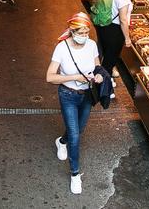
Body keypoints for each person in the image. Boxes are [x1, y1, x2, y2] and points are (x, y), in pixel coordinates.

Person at [45, 13, 105, 196]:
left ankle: (61, 142)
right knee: (75, 135)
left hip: (87, 94)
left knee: (78, 130)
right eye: (81, 32)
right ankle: (75, 174)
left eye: (87, 32)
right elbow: (49, 77)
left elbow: (97, 66)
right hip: (68, 95)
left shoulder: (92, 45)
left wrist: (99, 75)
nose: (85, 36)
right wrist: (74, 77)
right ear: (72, 31)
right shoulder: (61, 49)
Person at [93, 0, 134, 82]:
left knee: (107, 56)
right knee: (109, 61)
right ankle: (103, 87)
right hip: (115, 31)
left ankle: (104, 80)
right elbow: (123, 19)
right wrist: (127, 38)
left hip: (105, 27)